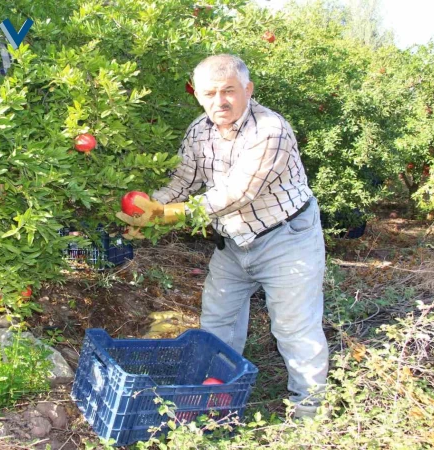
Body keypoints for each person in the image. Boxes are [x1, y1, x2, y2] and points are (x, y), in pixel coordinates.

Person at [116, 54, 329, 420]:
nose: (220, 101)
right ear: (197, 95)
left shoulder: (270, 130)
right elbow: (182, 181)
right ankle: (217, 396)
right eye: (210, 93)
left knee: (294, 328)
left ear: (248, 89)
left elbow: (235, 194)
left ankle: (309, 413)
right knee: (218, 324)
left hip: (286, 238)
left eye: (229, 91)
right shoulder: (199, 130)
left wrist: (168, 214)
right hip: (232, 243)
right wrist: (151, 208)